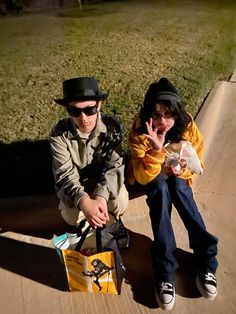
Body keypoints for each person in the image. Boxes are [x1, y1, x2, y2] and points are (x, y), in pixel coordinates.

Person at [128, 77, 218, 311]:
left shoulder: (186, 126)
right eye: (156, 114)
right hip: (151, 173)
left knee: (178, 187)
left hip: (177, 174)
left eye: (168, 114)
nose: (162, 122)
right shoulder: (140, 130)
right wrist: (157, 151)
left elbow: (198, 162)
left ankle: (206, 259)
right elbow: (141, 176)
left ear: (177, 113)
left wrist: (181, 169)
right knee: (159, 189)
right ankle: (165, 269)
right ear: (148, 113)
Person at [50, 76, 129, 249]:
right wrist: (84, 201)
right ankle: (89, 228)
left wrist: (100, 196)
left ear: (99, 105)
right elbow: (64, 174)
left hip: (102, 185)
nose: (83, 118)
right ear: (67, 109)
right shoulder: (59, 133)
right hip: (78, 188)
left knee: (119, 199)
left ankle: (114, 225)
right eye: (75, 111)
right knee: (70, 213)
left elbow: (115, 166)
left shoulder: (111, 127)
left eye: (90, 110)